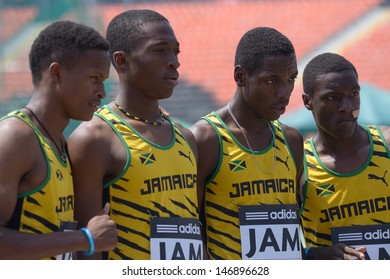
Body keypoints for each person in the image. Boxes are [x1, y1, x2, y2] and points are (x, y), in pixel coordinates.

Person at [68, 9, 201, 260]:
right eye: (160, 50)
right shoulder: (95, 139)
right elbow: (86, 251)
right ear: (121, 60)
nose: (174, 60)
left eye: (176, 51)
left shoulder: (186, 137)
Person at [0, 20, 117, 260]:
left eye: (103, 80)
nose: (102, 92)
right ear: (56, 73)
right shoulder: (15, 137)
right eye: (94, 77)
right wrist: (85, 238)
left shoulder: (59, 143)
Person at [190, 27, 304, 260]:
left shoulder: (292, 140)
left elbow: (294, 229)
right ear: (240, 76)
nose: (284, 92)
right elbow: (190, 230)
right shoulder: (206, 139)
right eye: (271, 80)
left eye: (291, 79)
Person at [300, 52, 390, 260]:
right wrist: (313, 255)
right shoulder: (299, 163)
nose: (347, 107)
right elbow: (276, 248)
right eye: (332, 97)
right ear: (308, 101)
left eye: (354, 94)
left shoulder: (386, 144)